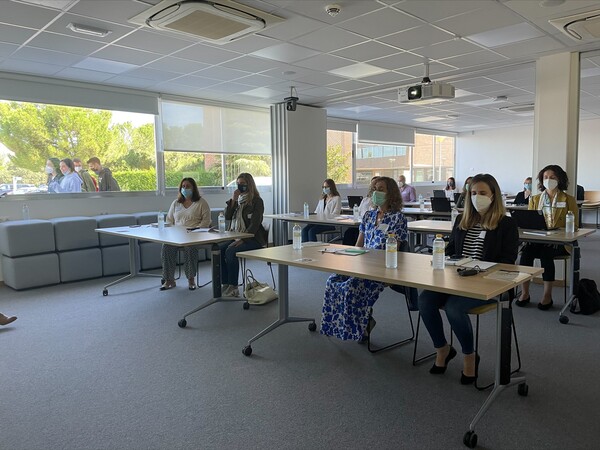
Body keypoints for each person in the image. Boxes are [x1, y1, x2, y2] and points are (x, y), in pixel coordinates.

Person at [418, 173, 519, 384]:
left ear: (494, 195)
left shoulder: (506, 224)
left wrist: (478, 270)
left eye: (482, 193)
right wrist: (443, 258)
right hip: (456, 278)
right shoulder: (461, 219)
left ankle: (469, 356)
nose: (477, 197)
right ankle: (443, 349)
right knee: (425, 300)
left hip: (489, 284)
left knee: (454, 308)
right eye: (473, 193)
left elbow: (508, 261)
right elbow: (452, 249)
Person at [321, 176, 408, 341]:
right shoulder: (369, 215)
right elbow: (358, 244)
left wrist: (371, 262)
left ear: (391, 193)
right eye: (374, 188)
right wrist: (349, 257)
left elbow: (394, 250)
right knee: (333, 280)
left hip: (381, 268)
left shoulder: (398, 219)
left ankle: (359, 325)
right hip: (362, 264)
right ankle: (345, 325)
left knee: (352, 286)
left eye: (381, 189)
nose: (376, 192)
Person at [516, 165, 579, 310]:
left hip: (558, 243)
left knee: (546, 255)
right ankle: (525, 293)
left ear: (560, 179)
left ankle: (547, 296)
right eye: (545, 177)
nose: (548, 180)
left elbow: (574, 225)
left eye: (552, 177)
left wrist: (560, 231)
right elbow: (530, 221)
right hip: (538, 239)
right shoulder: (535, 198)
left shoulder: (568, 199)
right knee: (525, 255)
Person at [219, 173, 267, 297]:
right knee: (220, 249)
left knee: (230, 251)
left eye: (243, 184)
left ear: (249, 185)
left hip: (253, 238)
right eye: (238, 184)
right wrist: (233, 200)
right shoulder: (237, 201)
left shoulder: (257, 201)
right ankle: (226, 282)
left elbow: (255, 224)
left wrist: (243, 239)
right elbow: (228, 217)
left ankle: (234, 286)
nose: (240, 186)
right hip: (236, 235)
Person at [160, 178, 211, 291]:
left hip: (194, 236)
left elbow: (206, 222)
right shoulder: (176, 203)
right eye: (183, 186)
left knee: (190, 247)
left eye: (188, 186)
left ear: (193, 188)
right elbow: (169, 220)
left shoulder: (201, 203)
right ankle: (169, 280)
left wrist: (196, 230)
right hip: (177, 236)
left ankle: (191, 279)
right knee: (166, 246)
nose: (185, 188)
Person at [342, 176, 378, 245]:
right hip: (360, 223)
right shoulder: (365, 199)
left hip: (368, 226)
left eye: (375, 184)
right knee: (348, 233)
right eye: (372, 184)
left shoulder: (377, 201)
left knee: (355, 234)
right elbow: (358, 212)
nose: (373, 187)